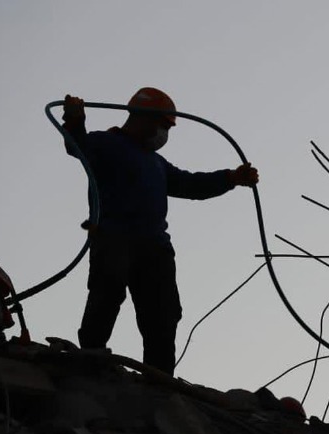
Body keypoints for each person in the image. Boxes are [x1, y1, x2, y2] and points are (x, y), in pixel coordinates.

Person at [61, 88, 259, 376]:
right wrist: (76, 119)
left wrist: (231, 178)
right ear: (143, 118)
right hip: (113, 236)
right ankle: (91, 358)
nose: (164, 133)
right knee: (107, 293)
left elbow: (190, 185)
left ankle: (160, 377)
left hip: (154, 247)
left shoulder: (157, 163)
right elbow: (75, 146)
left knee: (163, 313)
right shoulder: (105, 143)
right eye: (163, 125)